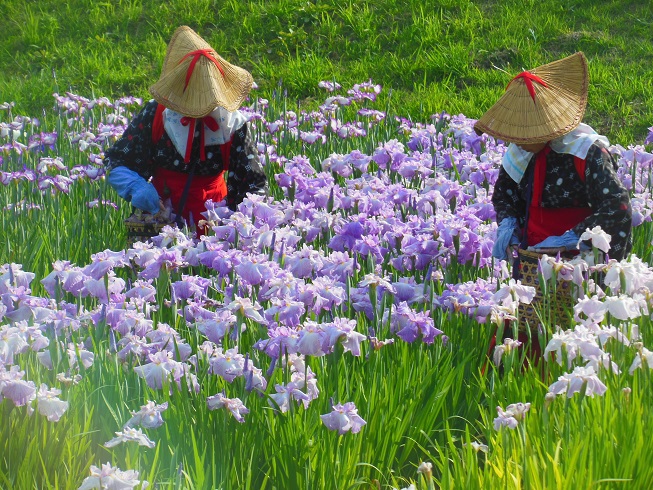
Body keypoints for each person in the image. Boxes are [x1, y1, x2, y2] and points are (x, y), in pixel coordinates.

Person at [474, 52, 632, 366]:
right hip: (531, 262)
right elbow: (505, 195)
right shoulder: (521, 152)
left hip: (578, 263)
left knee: (569, 338)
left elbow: (617, 208)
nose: (519, 141)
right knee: (522, 334)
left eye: (527, 134)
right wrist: (509, 225)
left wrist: (571, 238)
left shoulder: (588, 152)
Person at [104, 26, 267, 233]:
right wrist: (139, 189)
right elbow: (117, 161)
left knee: (204, 264)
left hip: (212, 219)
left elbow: (254, 185)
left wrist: (234, 221)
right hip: (159, 215)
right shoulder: (157, 113)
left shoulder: (231, 124)